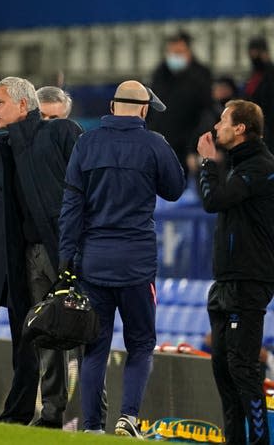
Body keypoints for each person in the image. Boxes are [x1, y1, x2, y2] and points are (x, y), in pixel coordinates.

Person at [0, 77, 83, 426]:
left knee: (26, 344)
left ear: (23, 105)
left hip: (28, 258)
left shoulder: (56, 137)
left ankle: (18, 414)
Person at [58, 80, 186, 437]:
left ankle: (92, 426)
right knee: (141, 344)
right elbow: (175, 190)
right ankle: (128, 417)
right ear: (144, 111)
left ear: (113, 107)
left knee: (95, 347)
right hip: (136, 264)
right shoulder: (154, 144)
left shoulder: (87, 143)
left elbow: (71, 207)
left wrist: (66, 258)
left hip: (93, 263)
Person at [197, 99, 274, 445]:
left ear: (241, 128)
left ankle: (258, 442)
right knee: (224, 371)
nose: (217, 127)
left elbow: (214, 200)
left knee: (242, 369)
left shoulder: (259, 167)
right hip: (226, 280)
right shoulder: (240, 165)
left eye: (223, 121)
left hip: (249, 280)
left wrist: (207, 163)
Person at [147, 31, 214, 177]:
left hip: (188, 147)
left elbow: (206, 113)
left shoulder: (201, 75)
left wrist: (194, 149)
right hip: (162, 145)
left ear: (188, 52)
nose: (175, 56)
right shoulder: (160, 74)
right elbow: (152, 110)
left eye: (179, 52)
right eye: (171, 52)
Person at [244, 36, 274, 153]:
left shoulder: (270, 75)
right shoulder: (254, 75)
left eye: (256, 52)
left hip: (268, 130)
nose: (253, 56)